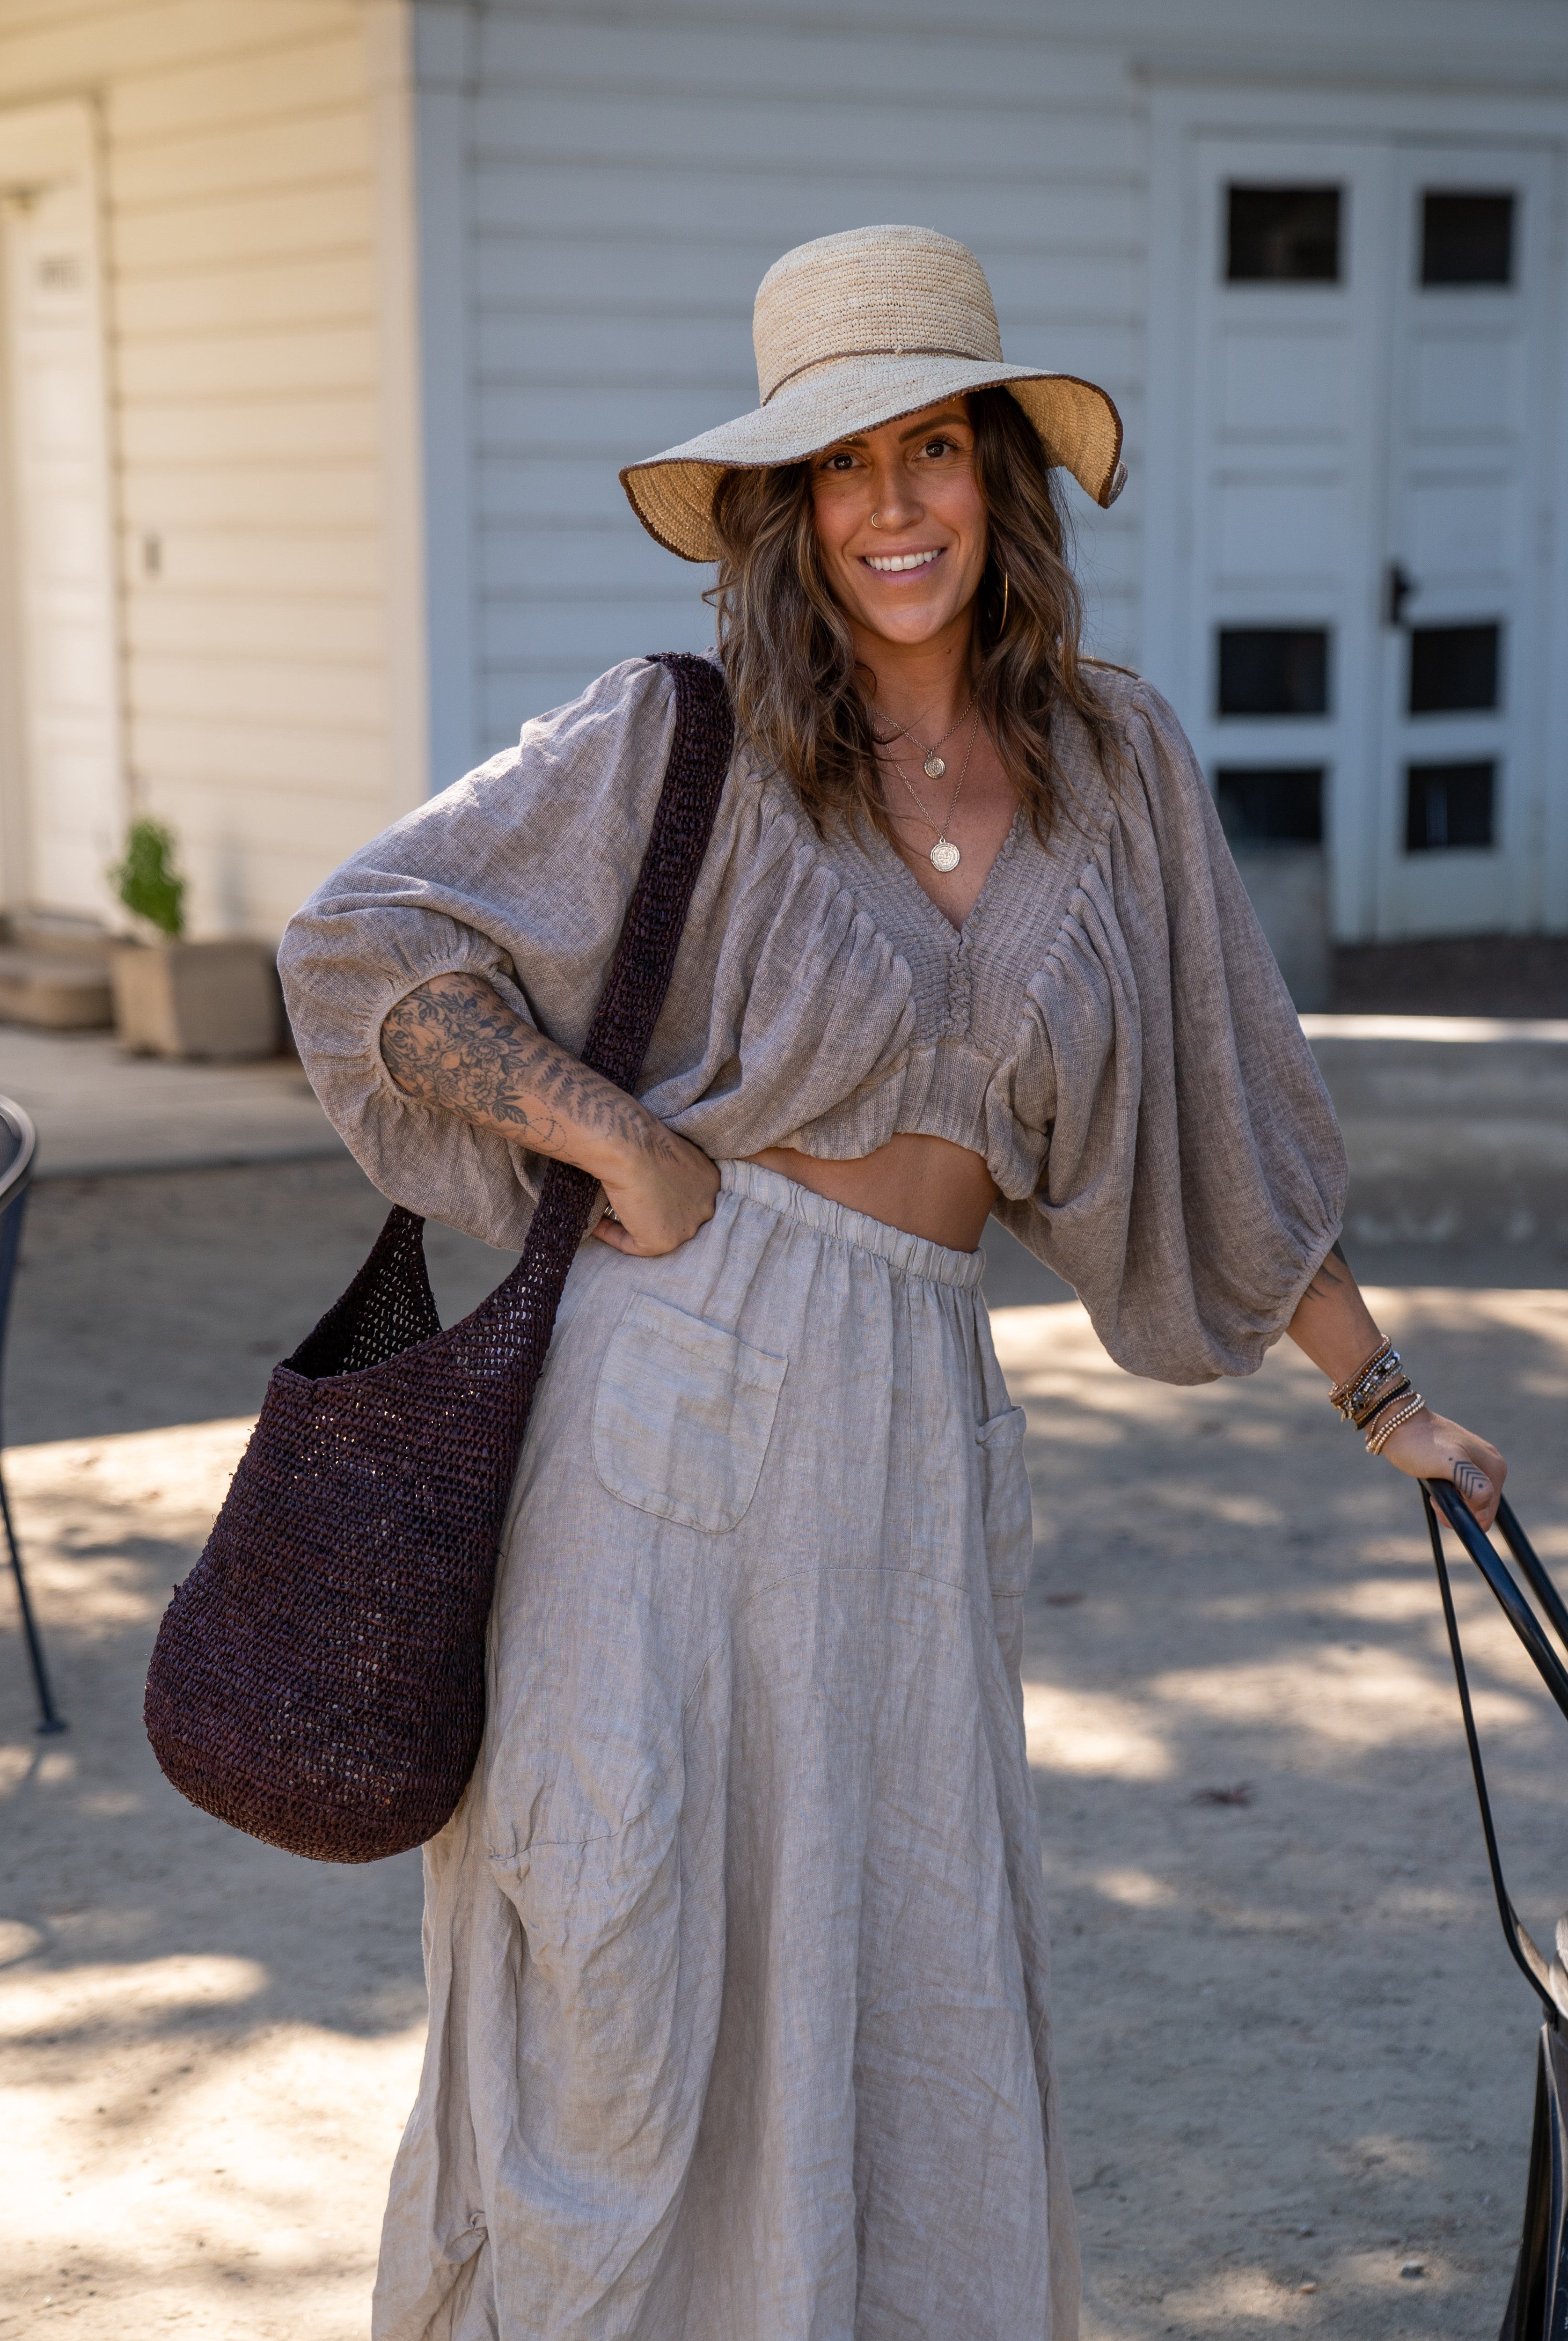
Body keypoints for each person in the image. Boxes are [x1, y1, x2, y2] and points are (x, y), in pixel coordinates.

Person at [278, 225, 1505, 2341]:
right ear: (782, 512)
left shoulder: (1113, 767)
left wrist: (1383, 1396)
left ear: (998, 477)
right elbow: (362, 945)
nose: (891, 507)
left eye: (930, 447)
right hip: (662, 1406)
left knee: (900, 1980)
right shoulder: (683, 734)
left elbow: (1232, 1111)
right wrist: (623, 1139)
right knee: (625, 1970)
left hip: (913, 1435)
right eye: (839, 468)